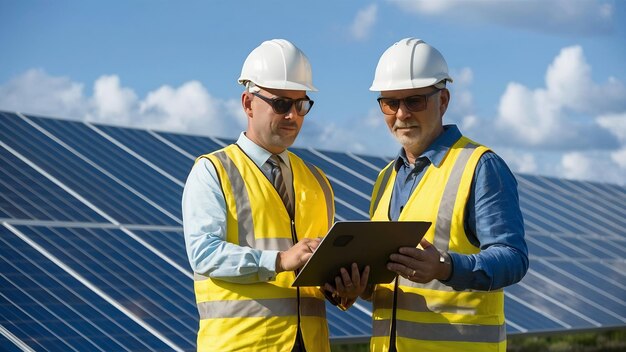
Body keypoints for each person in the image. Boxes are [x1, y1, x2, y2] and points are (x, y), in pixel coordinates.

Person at [363, 37, 529, 351]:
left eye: (414, 101)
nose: (401, 114)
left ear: (443, 101)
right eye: (390, 102)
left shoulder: (481, 167)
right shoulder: (385, 179)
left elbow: (513, 258)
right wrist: (362, 285)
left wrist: (446, 267)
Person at [182, 39, 340, 352]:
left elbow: (315, 271)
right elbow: (203, 253)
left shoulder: (318, 181)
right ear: (247, 103)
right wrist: (279, 260)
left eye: (301, 105)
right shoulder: (214, 170)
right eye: (281, 104)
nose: (293, 115)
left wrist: (341, 289)